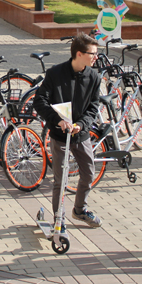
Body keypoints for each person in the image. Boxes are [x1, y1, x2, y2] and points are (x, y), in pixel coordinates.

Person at [33, 33, 103, 229]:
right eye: (93, 54)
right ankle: (59, 219)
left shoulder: (94, 77)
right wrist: (58, 121)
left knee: (88, 174)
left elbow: (93, 107)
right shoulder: (55, 74)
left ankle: (80, 210)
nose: (96, 57)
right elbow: (39, 101)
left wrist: (82, 124)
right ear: (79, 54)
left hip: (81, 135)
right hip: (60, 136)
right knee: (60, 180)